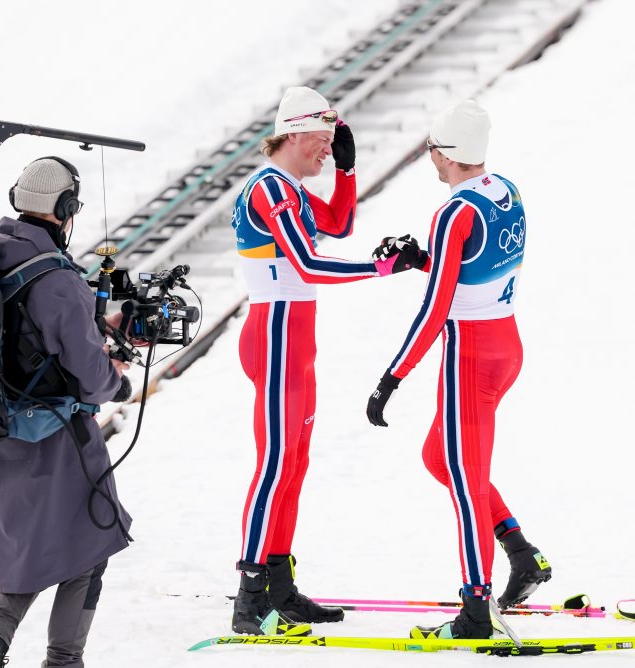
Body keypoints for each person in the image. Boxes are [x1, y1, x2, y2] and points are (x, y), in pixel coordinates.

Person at [231, 86, 424, 636]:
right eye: (323, 138)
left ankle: (278, 582)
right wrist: (383, 269)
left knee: (294, 464)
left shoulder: (289, 186)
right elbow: (311, 264)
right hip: (274, 335)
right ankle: (249, 596)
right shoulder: (269, 188)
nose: (327, 147)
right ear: (294, 132)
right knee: (274, 466)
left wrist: (347, 169)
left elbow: (338, 225)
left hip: (296, 339)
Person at [366, 100, 552, 640]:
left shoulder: (454, 212)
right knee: (440, 458)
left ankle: (475, 608)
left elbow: (436, 307)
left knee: (466, 482)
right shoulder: (505, 190)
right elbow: (474, 268)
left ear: (445, 154)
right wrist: (422, 257)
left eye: (431, 149)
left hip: (469, 355)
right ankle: (521, 553)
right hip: (505, 344)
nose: (430, 157)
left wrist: (392, 378)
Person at [0, 157, 134, 667]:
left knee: (29, 552)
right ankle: (64, 661)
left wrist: (96, 326)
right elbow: (89, 376)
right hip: (57, 440)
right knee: (89, 545)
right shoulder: (57, 279)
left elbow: (28, 336)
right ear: (66, 207)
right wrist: (115, 377)